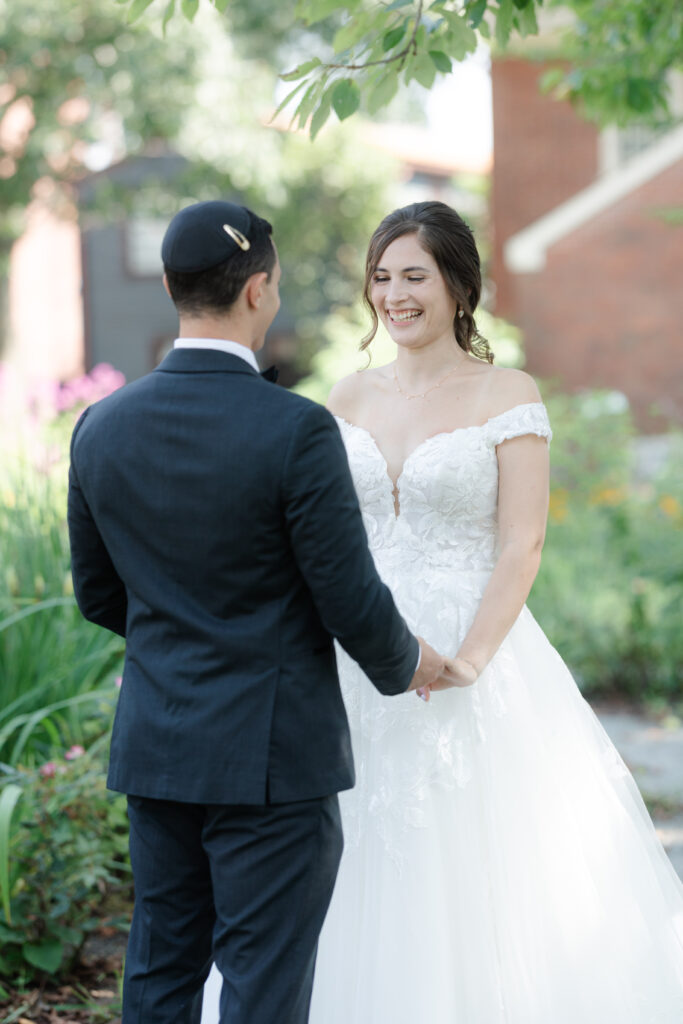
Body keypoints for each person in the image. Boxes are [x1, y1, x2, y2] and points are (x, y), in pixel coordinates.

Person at [67, 199, 456, 1024]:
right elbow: (345, 594)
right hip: (271, 759)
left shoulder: (100, 427)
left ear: (172, 286)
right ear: (259, 291)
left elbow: (100, 594)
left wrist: (181, 644)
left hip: (159, 749)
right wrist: (408, 662)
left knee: (161, 968)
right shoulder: (295, 431)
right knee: (261, 985)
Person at [308, 201, 683, 1023]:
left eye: (414, 275)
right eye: (381, 276)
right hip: (358, 656)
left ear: (458, 286)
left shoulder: (504, 392)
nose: (394, 295)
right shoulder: (346, 396)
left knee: (476, 857)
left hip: (472, 654)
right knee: (353, 845)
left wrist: (472, 657)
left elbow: (522, 543)